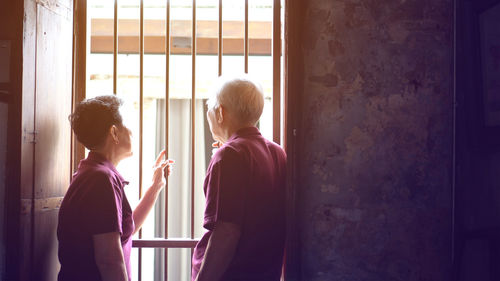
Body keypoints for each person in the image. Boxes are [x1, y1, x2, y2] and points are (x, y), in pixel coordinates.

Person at [57, 95, 173, 281]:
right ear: (114, 133)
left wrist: (155, 186)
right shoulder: (100, 179)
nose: (133, 132)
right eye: (127, 124)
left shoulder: (95, 172)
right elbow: (109, 260)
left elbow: (122, 232)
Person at [192, 76, 287, 281]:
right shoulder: (278, 152)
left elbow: (226, 232)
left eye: (209, 107)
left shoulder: (229, 155)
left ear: (220, 113)